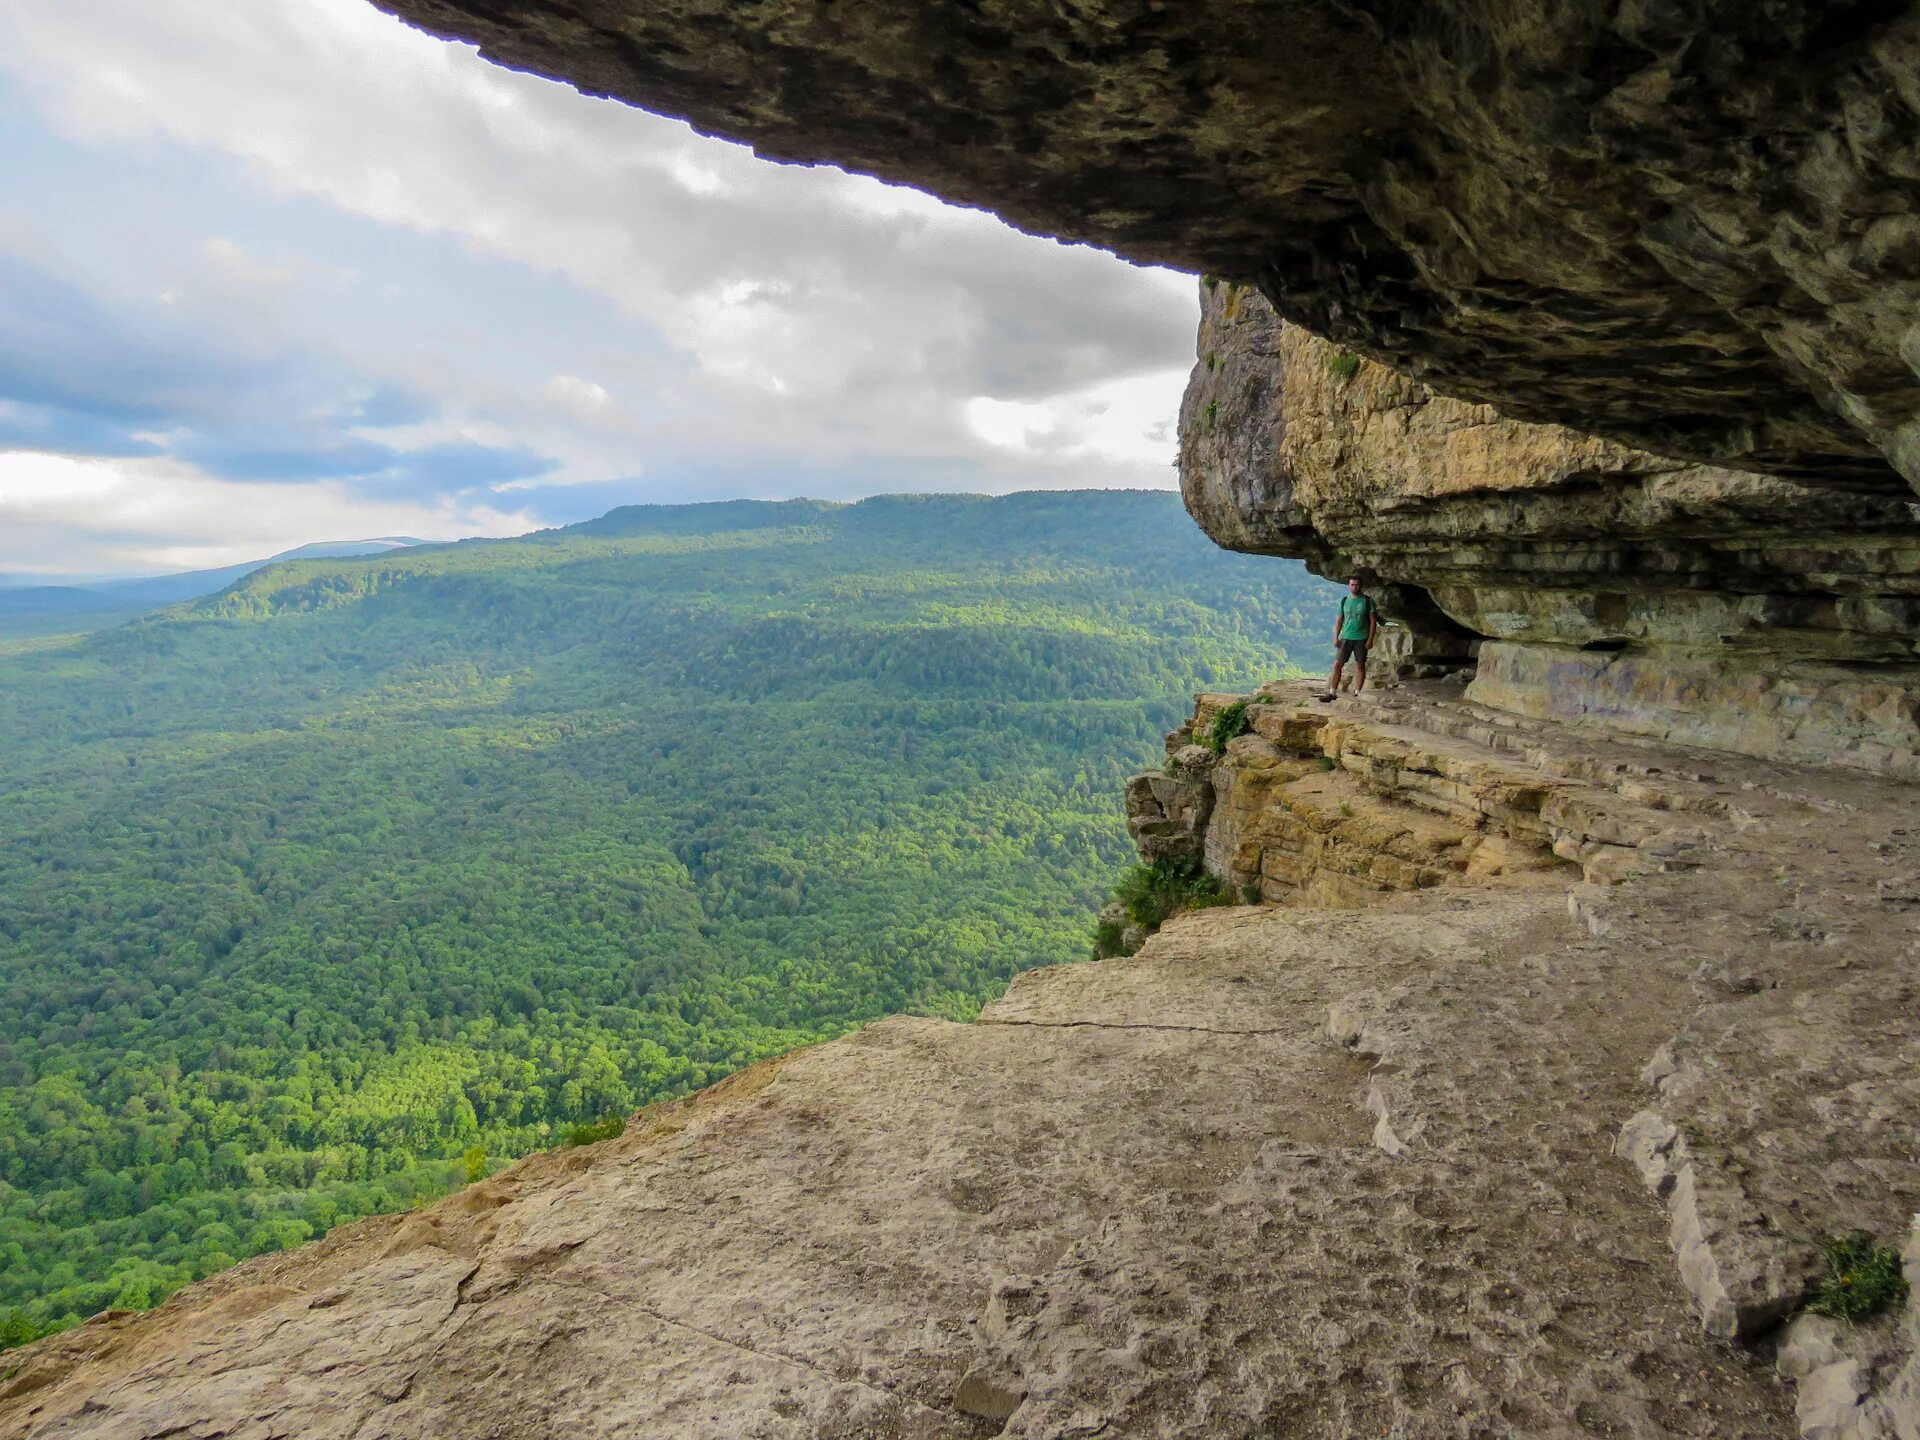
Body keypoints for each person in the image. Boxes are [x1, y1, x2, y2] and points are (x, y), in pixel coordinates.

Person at [1318, 576, 1377, 701]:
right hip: (1346, 637)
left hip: (1361, 637)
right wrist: (1336, 637)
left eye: (1356, 584)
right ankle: (1332, 692)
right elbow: (1339, 620)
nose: (1354, 587)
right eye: (1352, 584)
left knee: (1360, 665)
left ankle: (1357, 692)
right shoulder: (1344, 601)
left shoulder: (1367, 601)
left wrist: (1370, 638)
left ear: (1360, 586)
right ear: (1348, 586)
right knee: (1337, 665)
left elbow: (1372, 621)